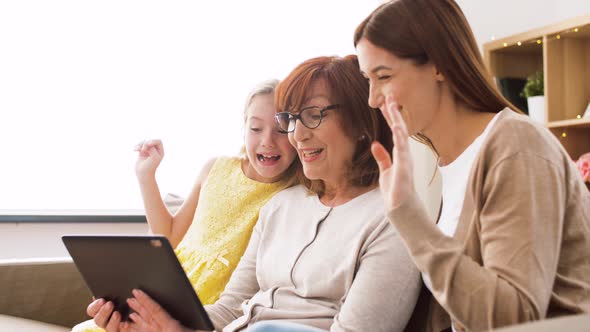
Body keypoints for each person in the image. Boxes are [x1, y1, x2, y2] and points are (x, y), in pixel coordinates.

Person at [86, 55, 421, 332]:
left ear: (362, 125)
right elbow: (230, 309)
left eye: (313, 115)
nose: (297, 134)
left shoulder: (392, 221)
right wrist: (161, 324)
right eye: (293, 118)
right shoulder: (281, 206)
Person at [354, 0, 590, 331]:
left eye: (384, 76)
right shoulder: (447, 162)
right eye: (368, 79)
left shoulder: (516, 146)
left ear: (439, 65)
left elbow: (513, 318)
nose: (373, 98)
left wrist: (410, 219)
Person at [73, 79, 300, 332]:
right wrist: (146, 177)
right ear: (244, 127)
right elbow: (168, 236)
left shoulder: (293, 195)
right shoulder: (216, 168)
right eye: (256, 128)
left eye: (281, 129)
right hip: (168, 291)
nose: (267, 141)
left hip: (208, 310)